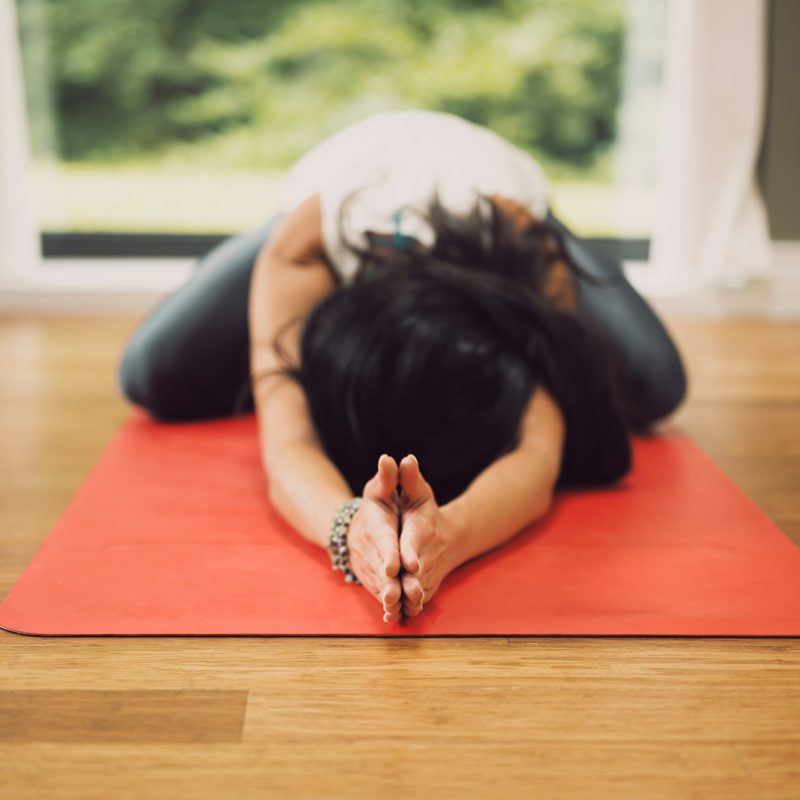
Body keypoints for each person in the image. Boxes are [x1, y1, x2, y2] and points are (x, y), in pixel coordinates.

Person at [117, 109, 687, 625]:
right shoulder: (305, 248)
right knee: (150, 375)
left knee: (656, 385)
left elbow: (539, 451)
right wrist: (349, 530)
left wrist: (447, 539)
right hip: (334, 180)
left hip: (502, 190)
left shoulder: (520, 252)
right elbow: (286, 444)